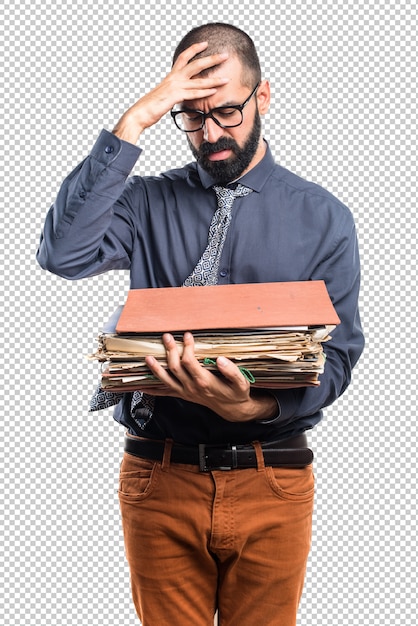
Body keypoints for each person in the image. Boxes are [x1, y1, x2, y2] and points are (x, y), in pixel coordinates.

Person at [37, 22, 364, 626]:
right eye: (190, 116)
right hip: (159, 477)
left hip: (274, 480)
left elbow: (339, 357)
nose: (210, 134)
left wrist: (256, 410)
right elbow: (62, 254)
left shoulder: (324, 218)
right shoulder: (143, 202)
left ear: (263, 97)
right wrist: (133, 123)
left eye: (228, 112)